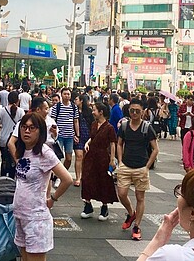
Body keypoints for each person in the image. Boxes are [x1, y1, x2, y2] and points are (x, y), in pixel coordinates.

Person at [13, 113, 72, 261]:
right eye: (24, 127)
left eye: (32, 128)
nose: (27, 131)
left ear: (40, 131)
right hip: (20, 215)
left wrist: (52, 198)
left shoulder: (44, 153)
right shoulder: (22, 150)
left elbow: (67, 179)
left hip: (36, 219)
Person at [116, 98, 159, 241]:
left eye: (137, 111)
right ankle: (130, 212)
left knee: (140, 197)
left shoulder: (147, 128)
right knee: (121, 194)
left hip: (141, 166)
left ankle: (137, 226)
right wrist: (120, 161)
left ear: (142, 112)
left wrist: (147, 166)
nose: (134, 113)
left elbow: (155, 149)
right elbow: (119, 144)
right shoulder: (124, 126)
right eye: (132, 110)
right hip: (126, 166)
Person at [80, 102, 117, 221]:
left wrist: (112, 160)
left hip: (102, 157)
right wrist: (87, 143)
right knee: (86, 179)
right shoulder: (94, 124)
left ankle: (104, 207)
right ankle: (87, 205)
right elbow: (92, 137)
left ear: (101, 112)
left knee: (103, 181)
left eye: (94, 110)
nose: (92, 112)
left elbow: (112, 144)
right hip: (91, 155)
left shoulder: (109, 127)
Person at [50, 87, 79, 186]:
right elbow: (52, 121)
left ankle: (60, 176)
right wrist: (53, 134)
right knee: (57, 157)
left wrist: (77, 134)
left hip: (70, 136)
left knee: (69, 158)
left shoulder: (74, 107)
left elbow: (76, 121)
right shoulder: (56, 107)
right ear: (61, 95)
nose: (67, 96)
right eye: (65, 94)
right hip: (59, 136)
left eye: (68, 94)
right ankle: (58, 177)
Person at [0, 90, 24, 178]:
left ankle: (2, 180)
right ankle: (11, 181)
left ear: (7, 100)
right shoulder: (21, 111)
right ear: (17, 100)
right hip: (15, 141)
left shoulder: (2, 110)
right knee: (13, 161)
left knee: (4, 161)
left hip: (3, 140)